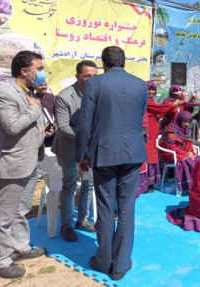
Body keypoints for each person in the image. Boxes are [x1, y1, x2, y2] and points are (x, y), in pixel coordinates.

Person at [76, 46, 148, 281]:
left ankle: (104, 259)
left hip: (104, 153)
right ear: (124, 62)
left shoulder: (95, 84)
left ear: (103, 63)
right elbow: (138, 117)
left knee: (106, 207)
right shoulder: (140, 84)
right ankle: (120, 264)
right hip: (133, 153)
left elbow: (85, 123)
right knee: (127, 208)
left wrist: (81, 154)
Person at [0, 51, 51, 279]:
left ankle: (20, 246)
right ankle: (0, 260)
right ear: (25, 71)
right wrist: (35, 109)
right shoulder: (4, 94)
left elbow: (30, 122)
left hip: (31, 159)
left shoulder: (29, 92)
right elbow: (13, 126)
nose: (42, 73)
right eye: (39, 68)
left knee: (21, 209)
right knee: (4, 214)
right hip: (13, 162)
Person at [52, 60, 98, 242]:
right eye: (87, 76)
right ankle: (66, 226)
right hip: (68, 148)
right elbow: (63, 127)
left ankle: (83, 220)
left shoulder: (98, 93)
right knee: (69, 184)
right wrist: (87, 138)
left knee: (89, 184)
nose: (91, 79)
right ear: (77, 76)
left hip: (89, 149)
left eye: (95, 76)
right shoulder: (65, 96)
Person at [139, 81, 184, 195]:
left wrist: (172, 107)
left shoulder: (152, 102)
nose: (151, 92)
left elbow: (159, 113)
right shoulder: (146, 102)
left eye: (153, 89)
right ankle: (145, 184)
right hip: (146, 132)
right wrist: (174, 104)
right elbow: (160, 109)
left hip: (154, 131)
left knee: (153, 155)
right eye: (149, 89)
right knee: (147, 155)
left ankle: (150, 183)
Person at [159, 110, 200, 193]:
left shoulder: (185, 131)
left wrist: (189, 151)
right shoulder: (171, 131)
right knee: (188, 162)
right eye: (185, 122)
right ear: (180, 120)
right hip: (171, 155)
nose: (187, 124)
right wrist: (186, 154)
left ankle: (199, 183)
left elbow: (188, 143)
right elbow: (172, 147)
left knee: (198, 160)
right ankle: (190, 186)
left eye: (189, 122)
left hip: (182, 153)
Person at [36, 81, 56, 147]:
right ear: (35, 86)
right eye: (41, 85)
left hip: (51, 132)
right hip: (37, 133)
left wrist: (54, 127)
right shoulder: (32, 98)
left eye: (45, 85)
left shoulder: (52, 97)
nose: (43, 87)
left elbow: (57, 115)